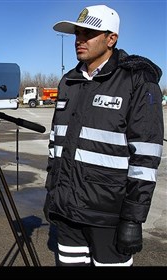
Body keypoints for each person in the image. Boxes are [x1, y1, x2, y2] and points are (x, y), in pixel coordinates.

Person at [43, 5, 164, 266]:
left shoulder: (137, 81)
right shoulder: (68, 81)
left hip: (108, 217)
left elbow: (145, 157)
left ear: (111, 39)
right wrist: (52, 192)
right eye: (77, 33)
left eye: (89, 33)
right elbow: (56, 144)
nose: (79, 40)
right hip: (67, 214)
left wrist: (133, 218)